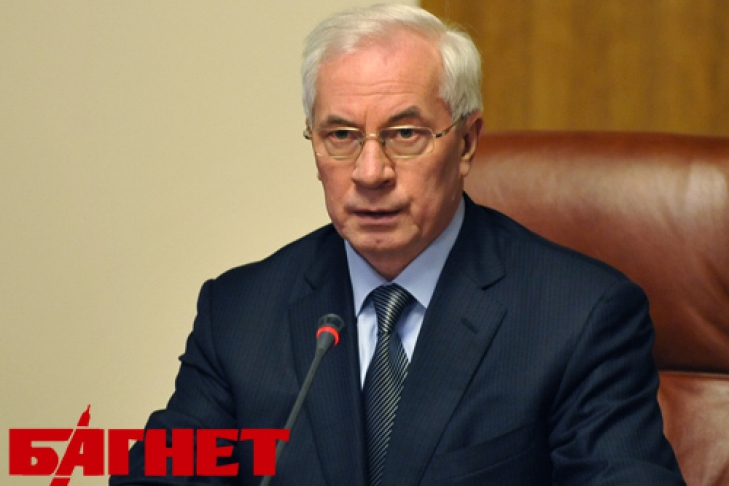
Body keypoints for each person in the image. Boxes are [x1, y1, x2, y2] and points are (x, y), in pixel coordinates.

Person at [111, 4, 685, 485]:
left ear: (467, 142)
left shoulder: (580, 317)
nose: (369, 172)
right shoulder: (239, 314)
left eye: (405, 134)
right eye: (341, 135)